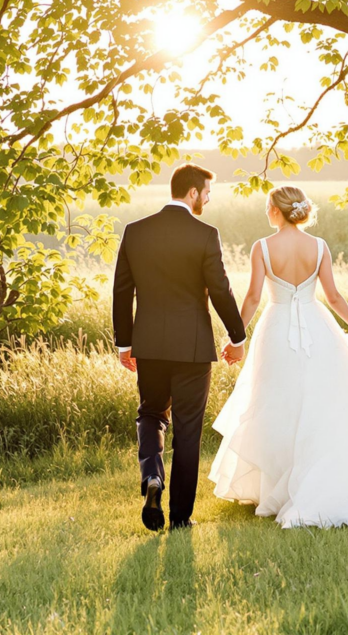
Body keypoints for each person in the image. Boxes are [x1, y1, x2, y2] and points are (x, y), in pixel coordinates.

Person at [209, 185, 348, 529]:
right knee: (324, 402)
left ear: (278, 211)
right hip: (317, 328)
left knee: (278, 402)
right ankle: (312, 477)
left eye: (269, 207)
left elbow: (253, 297)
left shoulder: (263, 248)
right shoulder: (319, 246)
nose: (266, 212)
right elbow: (335, 297)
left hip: (277, 330)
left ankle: (280, 487)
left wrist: (236, 338)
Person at [113, 164, 247, 531]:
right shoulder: (205, 234)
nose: (207, 198)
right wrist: (238, 337)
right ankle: (181, 518)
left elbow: (122, 291)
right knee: (188, 430)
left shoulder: (136, 232)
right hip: (192, 348)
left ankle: (152, 476)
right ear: (192, 192)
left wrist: (124, 343)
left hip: (149, 344)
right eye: (206, 192)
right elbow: (220, 289)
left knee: (151, 414)